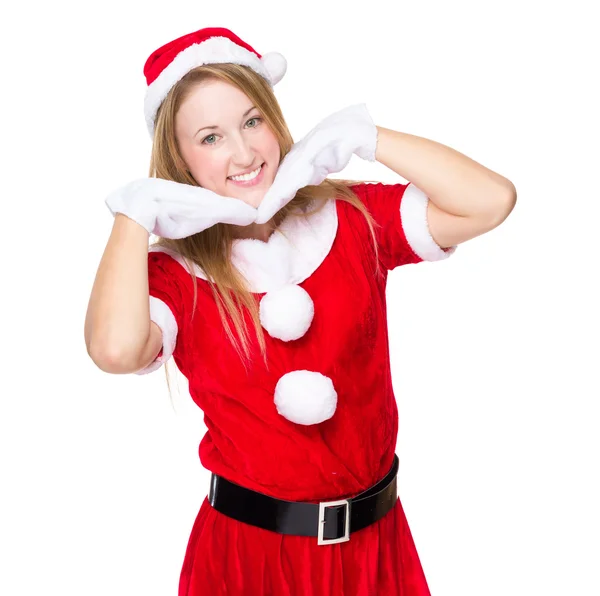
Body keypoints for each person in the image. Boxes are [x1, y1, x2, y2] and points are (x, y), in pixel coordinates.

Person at [84, 26, 516, 596]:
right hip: (249, 559)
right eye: (210, 137)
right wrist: (133, 218)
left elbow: (491, 201)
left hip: (374, 548)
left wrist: (366, 136)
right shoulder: (174, 276)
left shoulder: (353, 217)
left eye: (251, 121)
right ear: (180, 161)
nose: (243, 153)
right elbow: (114, 351)